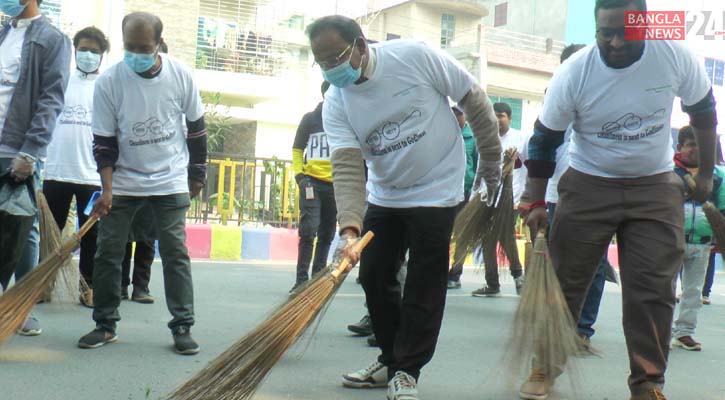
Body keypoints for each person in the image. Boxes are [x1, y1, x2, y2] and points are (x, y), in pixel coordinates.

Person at [519, 0, 716, 399]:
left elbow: (704, 114)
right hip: (590, 181)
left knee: (653, 289)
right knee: (566, 281)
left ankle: (648, 382)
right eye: (604, 32)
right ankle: (544, 364)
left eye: (625, 31)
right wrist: (535, 200)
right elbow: (544, 140)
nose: (614, 42)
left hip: (654, 184)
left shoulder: (674, 57)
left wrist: (708, 173)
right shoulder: (575, 72)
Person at [307, 15, 501, 400]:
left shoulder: (414, 56)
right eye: (322, 61)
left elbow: (473, 99)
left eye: (337, 56)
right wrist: (349, 228)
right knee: (374, 275)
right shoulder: (336, 101)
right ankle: (391, 358)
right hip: (386, 192)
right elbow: (346, 165)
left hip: (438, 185)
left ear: (361, 45)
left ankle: (406, 370)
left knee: (424, 283)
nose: (332, 67)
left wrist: (491, 163)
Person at [78, 12, 207, 355]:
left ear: (159, 45)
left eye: (143, 47)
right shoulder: (110, 82)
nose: (135, 53)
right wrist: (107, 190)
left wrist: (197, 175)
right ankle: (105, 323)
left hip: (170, 179)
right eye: (129, 47)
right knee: (108, 252)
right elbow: (104, 143)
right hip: (124, 181)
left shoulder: (180, 74)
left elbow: (196, 128)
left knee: (176, 253)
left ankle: (182, 325)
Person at [0, 0, 71, 336]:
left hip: (18, 148)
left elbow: (51, 98)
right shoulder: (3, 33)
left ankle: (21, 307)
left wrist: (30, 151)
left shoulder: (53, 40)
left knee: (22, 227)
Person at [539, 43, 613, 346]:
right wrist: (534, 197)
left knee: (594, 265)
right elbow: (541, 145)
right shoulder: (554, 97)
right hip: (557, 194)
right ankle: (554, 325)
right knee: (557, 265)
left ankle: (582, 329)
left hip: (597, 192)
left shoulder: (604, 98)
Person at [43, 26, 108, 309]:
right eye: (83, 49)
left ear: (103, 55)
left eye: (94, 51)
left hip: (92, 176)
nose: (88, 55)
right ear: (74, 50)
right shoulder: (60, 81)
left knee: (92, 237)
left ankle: (88, 287)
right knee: (50, 234)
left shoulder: (106, 88)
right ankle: (43, 285)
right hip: (56, 170)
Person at [671, 125, 725, 351]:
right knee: (665, 288)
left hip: (702, 243)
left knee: (694, 291)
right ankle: (660, 330)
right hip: (672, 240)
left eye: (700, 146)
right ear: (679, 147)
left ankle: (684, 332)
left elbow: (722, 208)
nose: (696, 150)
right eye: (691, 145)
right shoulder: (669, 173)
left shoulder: (717, 176)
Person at [471, 102, 526, 297]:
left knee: (505, 236)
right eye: (493, 115)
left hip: (511, 198)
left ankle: (519, 276)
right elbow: (480, 170)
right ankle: (492, 284)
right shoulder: (486, 139)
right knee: (486, 239)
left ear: (509, 118)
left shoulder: (520, 139)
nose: (496, 120)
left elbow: (527, 168)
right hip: (487, 197)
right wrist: (474, 194)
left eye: (501, 115)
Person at [290, 80, 337, 292]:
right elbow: (297, 149)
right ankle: (301, 281)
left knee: (327, 233)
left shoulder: (344, 120)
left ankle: (318, 278)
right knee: (308, 230)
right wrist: (301, 177)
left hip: (336, 186)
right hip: (312, 184)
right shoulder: (310, 119)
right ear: (325, 94)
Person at [447, 105, 478, 289]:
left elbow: (478, 163)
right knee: (443, 233)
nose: (456, 116)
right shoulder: (442, 134)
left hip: (466, 193)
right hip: (445, 192)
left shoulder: (473, 139)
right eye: (454, 113)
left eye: (459, 113)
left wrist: (474, 188)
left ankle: (455, 274)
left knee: (461, 235)